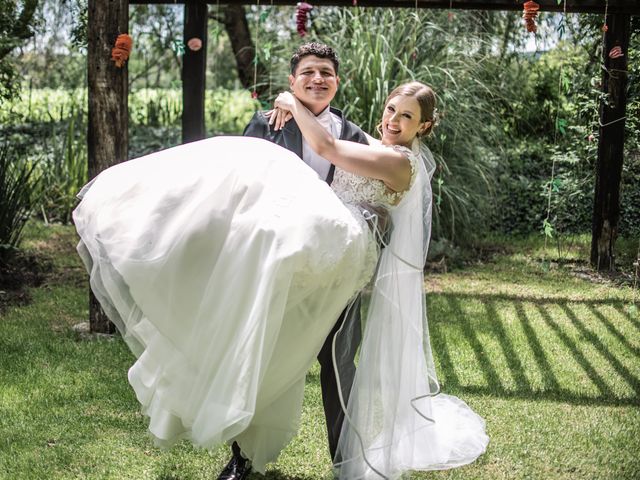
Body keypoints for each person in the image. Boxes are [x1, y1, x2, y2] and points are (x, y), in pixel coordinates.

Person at [73, 79, 488, 480]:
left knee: (274, 177)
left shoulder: (399, 161)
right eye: (391, 110)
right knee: (263, 332)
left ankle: (344, 458)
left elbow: (326, 147)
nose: (394, 120)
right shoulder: (374, 145)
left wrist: (291, 102)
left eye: (407, 116)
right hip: (326, 242)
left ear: (424, 127)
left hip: (344, 244)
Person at [223, 41, 370, 480]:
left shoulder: (354, 135)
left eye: (326, 71)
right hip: (277, 267)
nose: (317, 79)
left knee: (339, 364)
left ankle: (346, 461)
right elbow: (241, 191)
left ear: (336, 82)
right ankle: (242, 457)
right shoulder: (266, 124)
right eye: (308, 72)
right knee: (260, 358)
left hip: (336, 271)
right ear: (292, 82)